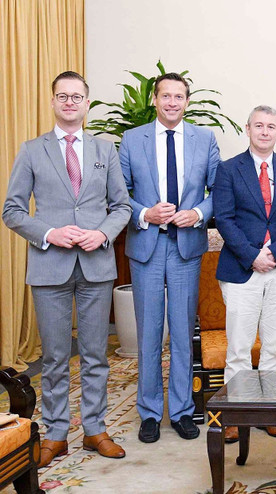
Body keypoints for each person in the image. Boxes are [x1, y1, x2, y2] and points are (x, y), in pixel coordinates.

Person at [2, 71, 131, 466]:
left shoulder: (104, 150)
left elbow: (122, 206)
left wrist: (103, 234)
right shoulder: (31, 150)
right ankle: (56, 434)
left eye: (77, 96)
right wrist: (50, 232)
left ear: (87, 103)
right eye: (63, 96)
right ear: (53, 102)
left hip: (96, 266)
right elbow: (12, 210)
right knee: (56, 358)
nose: (70, 102)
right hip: (49, 267)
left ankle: (95, 430)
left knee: (95, 355)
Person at [119, 72, 221, 444]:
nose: (172, 102)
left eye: (179, 97)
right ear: (155, 100)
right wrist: (145, 213)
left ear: (187, 102)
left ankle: (179, 411)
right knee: (149, 333)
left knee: (181, 331)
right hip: (147, 245)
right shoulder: (132, 139)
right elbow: (119, 193)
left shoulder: (204, 139)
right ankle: (149, 412)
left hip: (186, 246)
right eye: (166, 96)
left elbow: (217, 190)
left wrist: (198, 214)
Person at [213, 105, 276, 442]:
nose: (265, 131)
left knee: (274, 348)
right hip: (241, 269)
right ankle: (235, 416)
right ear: (248, 129)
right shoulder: (228, 170)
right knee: (239, 347)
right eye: (259, 125)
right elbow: (223, 218)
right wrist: (253, 256)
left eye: (271, 126)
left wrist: (274, 252)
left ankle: (273, 412)